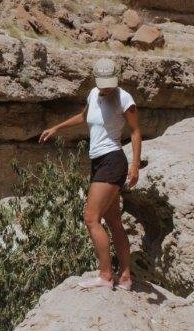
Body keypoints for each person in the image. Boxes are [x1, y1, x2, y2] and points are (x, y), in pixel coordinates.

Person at [39, 57, 141, 290]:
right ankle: (125, 277)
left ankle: (105, 277)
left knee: (91, 218)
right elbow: (84, 116)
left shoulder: (124, 98)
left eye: (110, 81)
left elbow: (135, 131)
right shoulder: (93, 94)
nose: (107, 86)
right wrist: (57, 127)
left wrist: (135, 165)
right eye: (103, 82)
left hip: (113, 161)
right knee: (113, 220)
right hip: (98, 161)